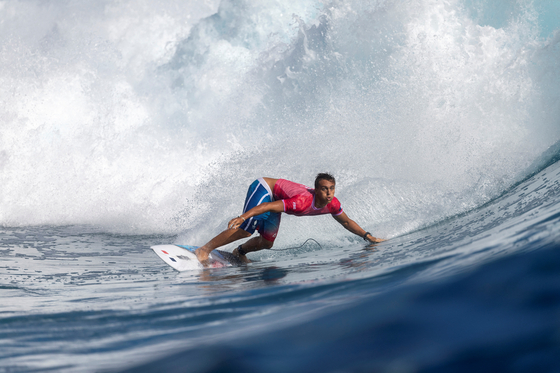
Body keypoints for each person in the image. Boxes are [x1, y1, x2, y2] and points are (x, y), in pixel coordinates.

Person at [195, 173, 384, 265]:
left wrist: (368, 236)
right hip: (265, 189)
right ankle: (204, 250)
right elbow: (268, 206)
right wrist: (243, 216)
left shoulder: (332, 204)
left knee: (267, 242)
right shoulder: (302, 202)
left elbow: (346, 222)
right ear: (317, 189)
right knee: (246, 228)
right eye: (325, 189)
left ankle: (239, 252)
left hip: (277, 199)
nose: (329, 193)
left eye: (332, 188)